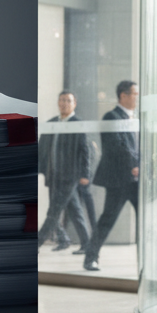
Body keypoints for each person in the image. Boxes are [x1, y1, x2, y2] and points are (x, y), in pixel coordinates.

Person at [84, 80, 140, 272]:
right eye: (134, 93)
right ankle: (90, 258)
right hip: (119, 180)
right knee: (107, 219)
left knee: (146, 221)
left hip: (137, 180)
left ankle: (149, 264)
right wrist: (133, 165)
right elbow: (115, 146)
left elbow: (141, 146)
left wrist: (140, 165)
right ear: (123, 95)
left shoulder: (136, 117)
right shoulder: (111, 116)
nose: (136, 97)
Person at [37, 91, 92, 251]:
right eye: (61, 100)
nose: (64, 103)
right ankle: (79, 242)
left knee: (53, 211)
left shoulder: (78, 123)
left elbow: (85, 151)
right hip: (53, 175)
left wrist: (85, 174)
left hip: (70, 176)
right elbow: (42, 149)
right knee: (74, 210)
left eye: (68, 100)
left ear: (74, 103)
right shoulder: (52, 123)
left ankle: (37, 243)